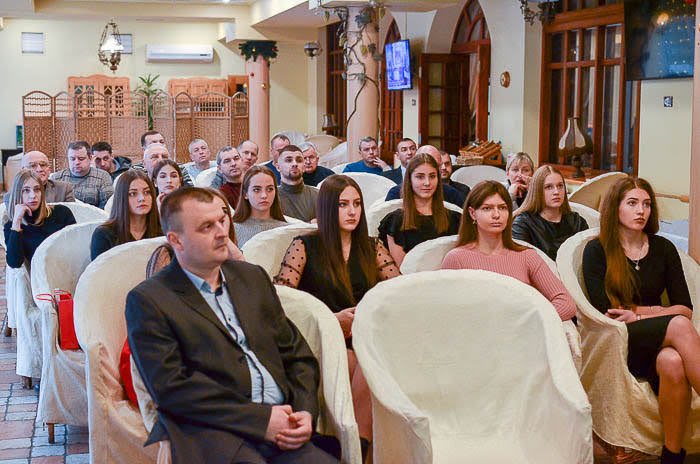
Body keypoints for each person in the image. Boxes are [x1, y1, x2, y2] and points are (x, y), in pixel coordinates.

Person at [126, 187, 337, 464]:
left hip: (283, 424)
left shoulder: (252, 278)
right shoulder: (149, 300)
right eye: (206, 226)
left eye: (222, 220)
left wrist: (305, 412)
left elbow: (297, 355)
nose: (222, 232)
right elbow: (172, 389)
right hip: (211, 431)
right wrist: (261, 420)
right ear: (176, 240)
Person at [274, 175, 401, 460]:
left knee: (366, 361)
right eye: (343, 204)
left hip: (365, 336)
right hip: (320, 336)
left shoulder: (372, 247)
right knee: (360, 363)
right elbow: (283, 304)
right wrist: (332, 320)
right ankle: (357, 448)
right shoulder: (305, 246)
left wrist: (368, 316)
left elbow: (398, 293)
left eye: (356, 204)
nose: (353, 211)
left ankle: (352, 447)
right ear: (329, 209)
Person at [582, 177, 699, 464]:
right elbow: (606, 310)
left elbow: (685, 308)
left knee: (672, 361)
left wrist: (639, 313)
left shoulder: (664, 248)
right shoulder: (597, 250)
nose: (641, 211)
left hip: (655, 336)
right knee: (679, 327)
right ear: (615, 208)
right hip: (620, 339)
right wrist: (652, 313)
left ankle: (672, 456)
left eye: (646, 204)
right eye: (632, 203)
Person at [441, 180, 576, 321]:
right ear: (473, 213)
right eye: (487, 208)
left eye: (502, 208)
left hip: (524, 335)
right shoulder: (456, 259)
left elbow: (566, 303)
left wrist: (530, 321)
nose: (496, 215)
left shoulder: (526, 255)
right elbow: (446, 311)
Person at [378, 153, 461, 267]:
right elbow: (404, 270)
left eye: (432, 176)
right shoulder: (395, 222)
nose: (427, 183)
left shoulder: (455, 219)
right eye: (420, 177)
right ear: (410, 180)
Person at [512, 165, 588, 261]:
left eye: (560, 186)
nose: (556, 192)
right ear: (537, 191)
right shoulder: (523, 223)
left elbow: (585, 261)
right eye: (548, 187)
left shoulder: (578, 222)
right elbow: (521, 263)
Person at [4, 170, 77, 269]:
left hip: (68, 270)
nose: (33, 196)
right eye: (26, 190)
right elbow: (14, 263)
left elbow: (77, 247)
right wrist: (17, 221)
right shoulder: (12, 226)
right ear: (17, 194)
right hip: (41, 278)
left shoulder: (62, 212)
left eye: (37, 189)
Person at [90, 170, 162, 260]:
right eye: (133, 194)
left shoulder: (163, 231)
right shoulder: (104, 234)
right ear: (122, 198)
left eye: (147, 192)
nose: (142, 198)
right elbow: (99, 272)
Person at [384, 145, 468, 208]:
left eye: (435, 165)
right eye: (420, 176)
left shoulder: (451, 193)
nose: (427, 182)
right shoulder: (396, 194)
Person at [232, 166, 288, 247]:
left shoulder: (287, 230)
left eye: (270, 189)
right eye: (257, 190)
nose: (264, 195)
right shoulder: (232, 230)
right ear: (245, 194)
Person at [50, 141, 114, 209]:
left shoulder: (103, 177)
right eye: (72, 159)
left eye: (81, 159)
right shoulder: (57, 178)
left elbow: (107, 208)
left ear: (90, 158)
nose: (76, 162)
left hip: (94, 218)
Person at [3, 151, 74, 210]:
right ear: (23, 170)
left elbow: (73, 219)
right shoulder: (10, 197)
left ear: (49, 169)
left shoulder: (64, 189)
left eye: (43, 165)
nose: (39, 169)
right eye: (33, 166)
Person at [276, 145, 319, 222]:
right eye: (289, 160)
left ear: (304, 167)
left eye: (299, 160)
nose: (295, 164)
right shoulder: (272, 196)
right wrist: (309, 225)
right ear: (278, 167)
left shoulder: (318, 195)